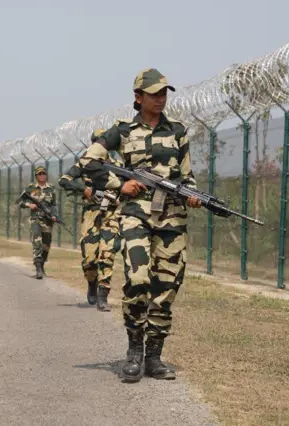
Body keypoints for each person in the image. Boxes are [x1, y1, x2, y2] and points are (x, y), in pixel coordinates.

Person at [83, 68, 201, 382]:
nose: (161, 99)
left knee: (166, 287)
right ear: (138, 97)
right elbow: (88, 161)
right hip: (135, 215)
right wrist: (118, 185)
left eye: (164, 93)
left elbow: (187, 176)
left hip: (171, 218)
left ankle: (154, 357)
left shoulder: (178, 131)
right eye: (154, 94)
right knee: (137, 279)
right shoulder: (121, 131)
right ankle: (134, 350)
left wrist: (191, 194)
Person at [59, 129, 123, 311]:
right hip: (91, 213)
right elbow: (64, 180)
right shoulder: (84, 164)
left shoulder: (117, 164)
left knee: (107, 252)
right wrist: (84, 190)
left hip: (112, 213)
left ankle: (103, 296)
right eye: (98, 142)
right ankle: (92, 284)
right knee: (89, 258)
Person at [18, 166, 57, 279]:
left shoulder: (51, 188)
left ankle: (42, 264)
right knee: (37, 242)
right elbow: (20, 201)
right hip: (35, 219)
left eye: (43, 173)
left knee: (46, 245)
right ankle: (38, 268)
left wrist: (54, 215)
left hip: (47, 221)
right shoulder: (30, 188)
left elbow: (54, 205)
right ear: (36, 176)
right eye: (39, 174)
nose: (42, 175)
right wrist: (29, 205)